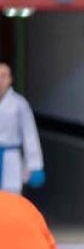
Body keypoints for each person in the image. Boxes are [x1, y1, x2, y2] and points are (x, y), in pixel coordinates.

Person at [0, 63, 44, 195]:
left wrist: (34, 165)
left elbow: (29, 134)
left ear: (10, 79)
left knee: (11, 197)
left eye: (4, 76)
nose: (0, 80)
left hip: (11, 157)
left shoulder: (20, 104)